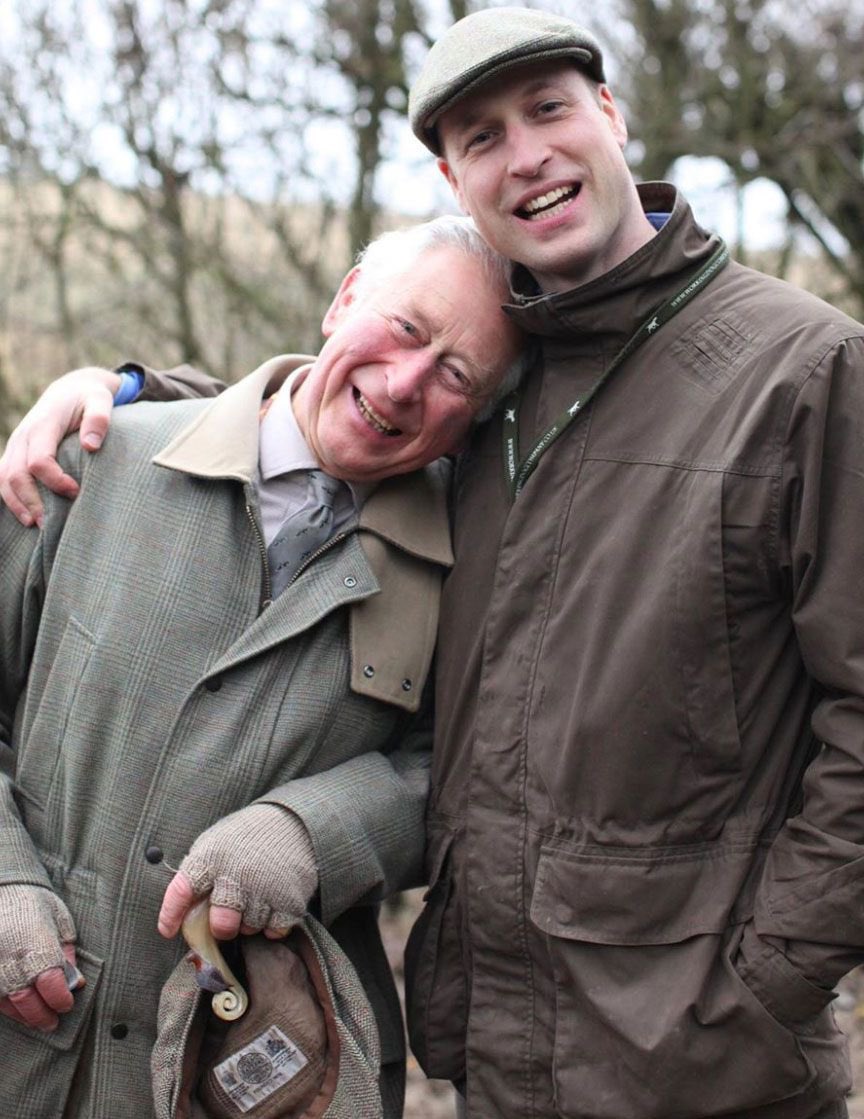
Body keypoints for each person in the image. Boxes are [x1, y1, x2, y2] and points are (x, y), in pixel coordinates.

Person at [3, 8, 864, 1119]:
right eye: (481, 137)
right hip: (498, 1058)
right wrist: (119, 395)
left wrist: (768, 981)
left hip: (710, 1061)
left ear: (611, 113)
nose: (529, 154)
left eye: (551, 109)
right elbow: (307, 427)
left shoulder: (806, 371)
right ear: (450, 187)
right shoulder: (108, 469)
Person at [0, 214, 523, 1119]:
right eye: (405, 328)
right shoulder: (95, 460)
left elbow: (471, 774)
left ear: (471, 423)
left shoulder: (474, 568)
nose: (403, 384)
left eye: (455, 376)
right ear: (343, 299)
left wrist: (315, 829)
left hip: (259, 1061)